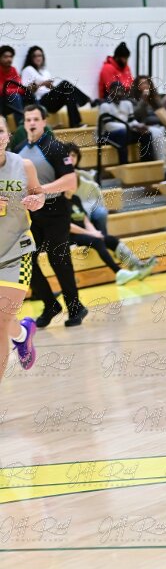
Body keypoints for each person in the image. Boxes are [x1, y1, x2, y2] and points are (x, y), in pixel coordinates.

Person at [13, 103, 88, 327]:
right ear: (24, 123)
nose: (32, 123)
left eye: (36, 119)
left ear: (44, 122)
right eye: (28, 120)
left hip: (56, 211)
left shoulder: (55, 147)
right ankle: (50, 304)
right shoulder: (19, 149)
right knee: (24, 258)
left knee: (59, 259)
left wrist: (41, 191)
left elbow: (70, 181)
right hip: (32, 214)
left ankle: (75, 307)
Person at [65, 143, 157, 286]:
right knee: (98, 241)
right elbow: (66, 225)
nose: (73, 185)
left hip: (84, 232)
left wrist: (95, 233)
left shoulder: (76, 198)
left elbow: (85, 220)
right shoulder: (59, 200)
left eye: (75, 183)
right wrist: (92, 234)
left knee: (110, 239)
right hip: (70, 235)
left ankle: (137, 265)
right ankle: (119, 273)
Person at [0, 114, 46, 382]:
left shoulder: (23, 165)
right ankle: (22, 335)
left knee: (0, 322)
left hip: (16, 252)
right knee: (5, 321)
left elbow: (38, 193)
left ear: (8, 135)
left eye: (0, 131)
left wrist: (38, 200)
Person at [20, 46, 93, 128]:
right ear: (30, 58)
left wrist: (51, 87)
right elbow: (27, 91)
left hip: (50, 101)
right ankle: (86, 100)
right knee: (65, 83)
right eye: (35, 56)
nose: (38, 58)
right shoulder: (28, 70)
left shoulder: (45, 71)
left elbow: (50, 89)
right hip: (40, 101)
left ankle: (75, 123)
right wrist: (42, 84)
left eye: (40, 55)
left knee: (69, 93)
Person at [98, 81, 154, 167]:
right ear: (110, 92)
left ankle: (147, 163)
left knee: (146, 133)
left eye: (121, 91)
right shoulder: (105, 105)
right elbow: (108, 126)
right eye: (116, 91)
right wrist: (130, 126)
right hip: (107, 136)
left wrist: (139, 126)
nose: (119, 93)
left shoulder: (127, 104)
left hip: (126, 132)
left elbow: (132, 121)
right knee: (122, 133)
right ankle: (124, 165)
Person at [130, 75, 166, 160]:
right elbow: (136, 115)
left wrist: (155, 99)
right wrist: (143, 100)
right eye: (142, 84)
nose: (145, 85)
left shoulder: (154, 98)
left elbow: (162, 113)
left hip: (159, 125)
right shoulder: (133, 100)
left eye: (147, 83)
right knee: (158, 132)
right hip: (145, 126)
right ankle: (161, 160)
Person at [0, 46, 26, 126]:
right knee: (15, 96)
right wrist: (13, 90)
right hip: (2, 101)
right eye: (5, 57)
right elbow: (1, 91)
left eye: (11, 57)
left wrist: (8, 90)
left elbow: (21, 88)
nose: (9, 59)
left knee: (29, 96)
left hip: (11, 100)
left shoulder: (13, 69)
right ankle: (21, 126)